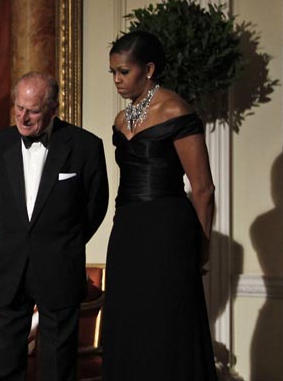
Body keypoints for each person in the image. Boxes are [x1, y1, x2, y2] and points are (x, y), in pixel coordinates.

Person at [103, 30, 217, 380]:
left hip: (168, 230)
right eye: (113, 73)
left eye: (124, 71)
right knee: (128, 321)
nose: (117, 80)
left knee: (167, 323)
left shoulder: (175, 109)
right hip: (127, 229)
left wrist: (201, 244)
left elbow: (203, 189)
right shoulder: (122, 120)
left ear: (149, 69)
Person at [0, 71, 109, 381]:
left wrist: (64, 241)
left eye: (34, 110)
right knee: (4, 360)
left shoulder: (85, 146)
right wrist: (23, 237)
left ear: (54, 108)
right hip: (11, 263)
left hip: (60, 262)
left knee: (57, 363)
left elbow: (96, 205)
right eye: (18, 107)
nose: (23, 117)